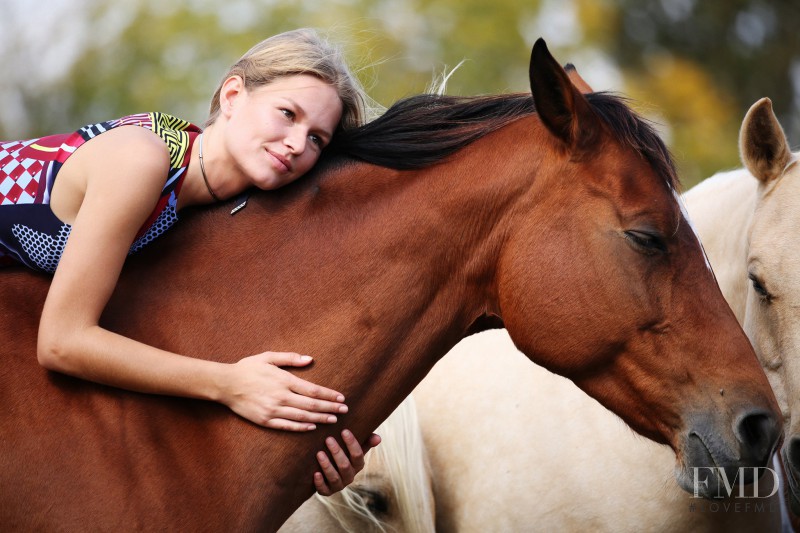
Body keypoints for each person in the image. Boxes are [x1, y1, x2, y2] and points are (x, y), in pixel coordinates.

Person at [0, 28, 380, 495]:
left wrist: (320, 442)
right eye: (287, 114)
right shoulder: (141, 160)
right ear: (234, 94)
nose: (298, 144)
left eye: (317, 139)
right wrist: (228, 384)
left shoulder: (206, 210)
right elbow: (62, 342)